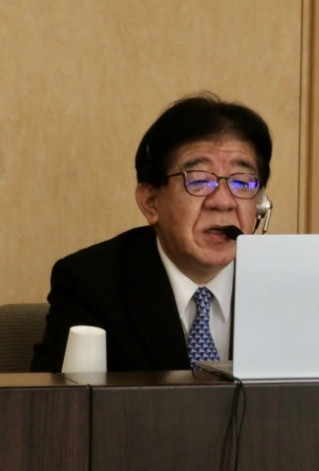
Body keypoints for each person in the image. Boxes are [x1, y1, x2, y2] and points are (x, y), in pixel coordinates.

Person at [31, 91, 273, 372]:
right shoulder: (91, 283)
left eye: (242, 183)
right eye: (199, 180)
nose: (222, 202)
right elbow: (59, 397)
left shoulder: (285, 283)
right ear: (151, 202)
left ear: (260, 204)